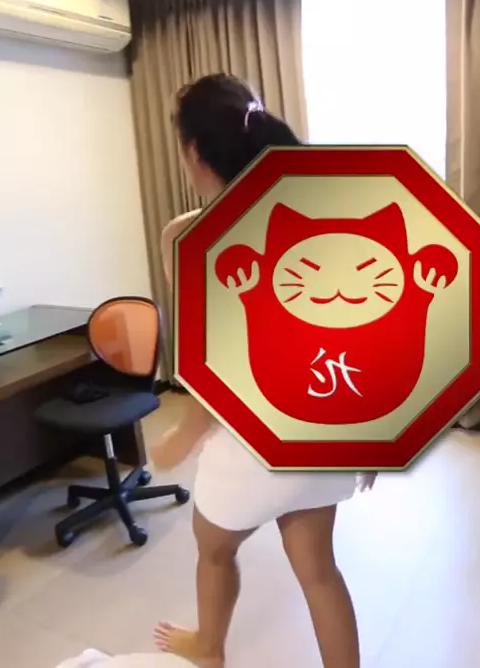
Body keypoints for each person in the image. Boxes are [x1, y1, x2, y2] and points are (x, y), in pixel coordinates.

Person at [150, 74, 374, 668]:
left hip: (254, 444)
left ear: (194, 152)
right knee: (319, 572)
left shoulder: (188, 236)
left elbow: (220, 363)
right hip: (324, 433)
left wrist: (182, 435)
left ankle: (209, 648)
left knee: (213, 550)